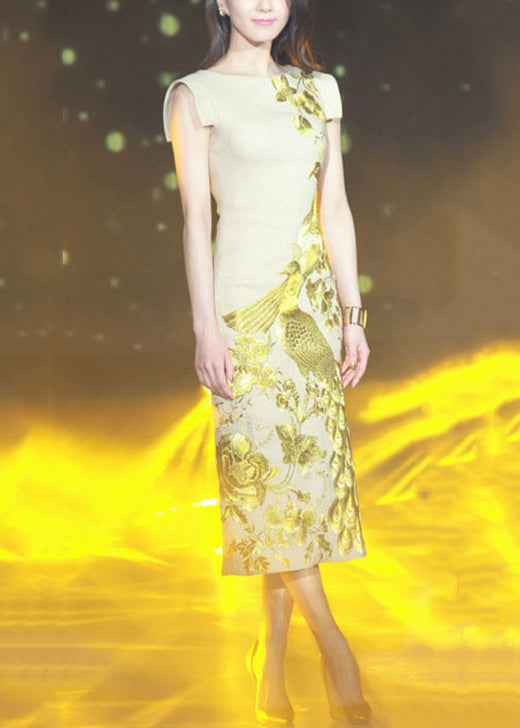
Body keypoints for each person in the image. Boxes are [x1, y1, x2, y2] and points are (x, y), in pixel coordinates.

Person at [162, 0, 372, 724]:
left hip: (309, 312)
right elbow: (195, 220)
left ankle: (270, 665)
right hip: (242, 319)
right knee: (266, 490)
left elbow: (334, 207)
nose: (262, 3)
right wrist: (205, 329)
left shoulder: (319, 90)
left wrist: (353, 314)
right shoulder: (195, 96)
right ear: (220, 2)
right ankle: (335, 649)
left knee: (298, 487)